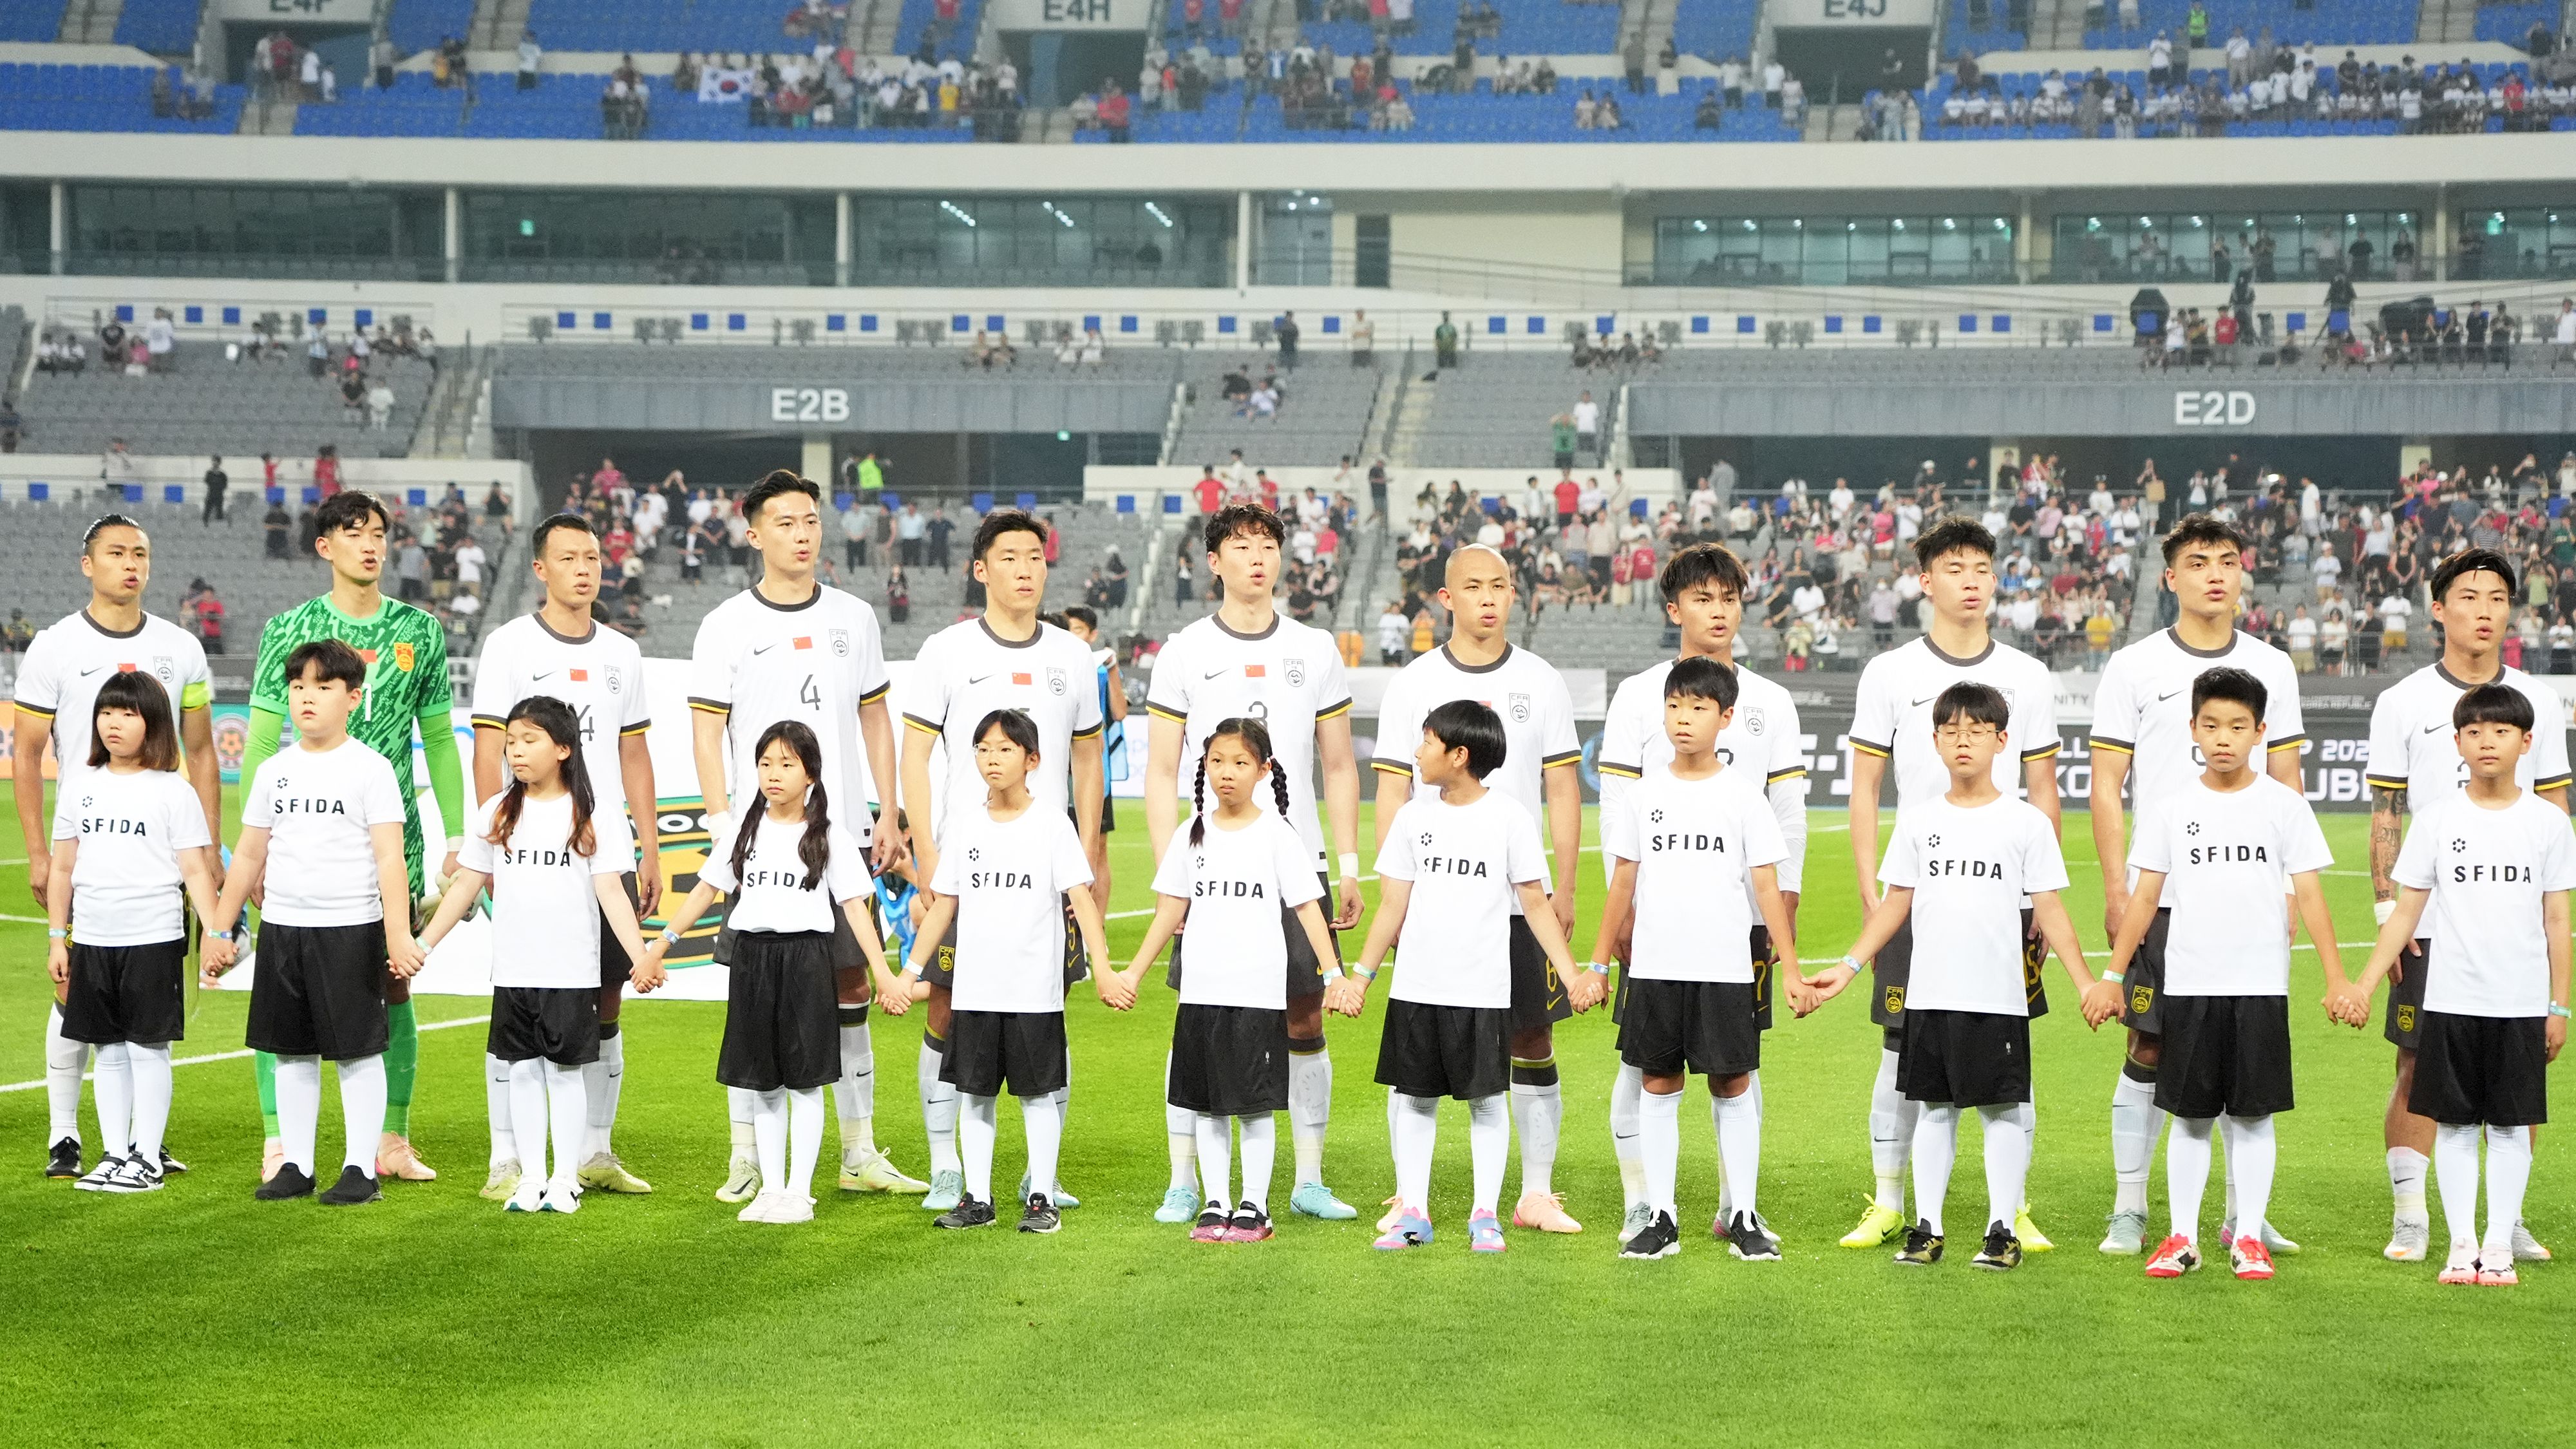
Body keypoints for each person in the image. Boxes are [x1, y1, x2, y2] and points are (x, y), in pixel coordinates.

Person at [1806, 683, 2114, 1271]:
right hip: (1930, 994)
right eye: (1951, 731)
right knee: (1934, 1109)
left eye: (1977, 731)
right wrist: (1848, 967)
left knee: (2002, 1111)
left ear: (2002, 740)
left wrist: (2086, 983)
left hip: (1998, 997)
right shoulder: (1919, 822)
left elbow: (2049, 909)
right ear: (1935, 742)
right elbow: (1896, 904)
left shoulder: (2025, 823)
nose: (1963, 741)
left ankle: (2002, 1230)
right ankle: (1928, 1229)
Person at [2087, 515, 2309, 1256]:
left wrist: (2288, 891)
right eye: (2196, 561)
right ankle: (2130, 1208)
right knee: (2150, 1049)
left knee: (2245, 1062)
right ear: (2169, 577)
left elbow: (2287, 780)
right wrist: (2117, 890)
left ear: (2243, 572)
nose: (2214, 573)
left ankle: (2244, 1216)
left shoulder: (2272, 666)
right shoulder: (2133, 666)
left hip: (2247, 900)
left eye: (2226, 560)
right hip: (2164, 901)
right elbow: (2107, 784)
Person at [1842, 516, 2061, 1252]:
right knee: (1900, 1048)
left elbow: (2043, 788)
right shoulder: (1890, 673)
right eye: (1954, 568)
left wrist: (2038, 896)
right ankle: (1889, 1202)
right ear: (1925, 581)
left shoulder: (2028, 676)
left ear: (1995, 580)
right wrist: (1873, 889)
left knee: (2009, 1052)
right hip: (1917, 893)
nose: (1970, 582)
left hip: (2002, 897)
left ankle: (2013, 1209)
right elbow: (1865, 788)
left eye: (1981, 569)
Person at [1144, 504, 1365, 1222]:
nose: (1257, 558)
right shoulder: (1183, 651)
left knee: (1304, 1018)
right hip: (1210, 870)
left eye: (1267, 545)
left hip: (1295, 863)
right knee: (1199, 1016)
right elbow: (1160, 770)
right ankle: (1185, 1181)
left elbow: (1338, 765)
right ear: (1214, 562)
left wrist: (1349, 863)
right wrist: (1173, 876)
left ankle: (1308, 1179)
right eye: (1240, 547)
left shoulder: (1315, 648)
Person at [239, 491, 464, 1187]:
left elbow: (439, 740)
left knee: (394, 985)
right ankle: (281, 1142)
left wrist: (458, 835)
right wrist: (256, 850)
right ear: (324, 546)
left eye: (378, 534)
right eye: (353, 533)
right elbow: (262, 742)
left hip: (392, 842)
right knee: (286, 996)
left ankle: (390, 1139)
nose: (369, 545)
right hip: (301, 843)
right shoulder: (290, 629)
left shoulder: (420, 630)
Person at [688, 471, 901, 1204]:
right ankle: (746, 1154)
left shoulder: (855, 617)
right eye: (785, 523)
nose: (802, 534)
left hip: (838, 834)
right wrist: (722, 821)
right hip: (759, 839)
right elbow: (706, 729)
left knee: (851, 985)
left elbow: (875, 718)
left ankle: (859, 1150)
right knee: (754, 990)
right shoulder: (726, 624)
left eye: (810, 520)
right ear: (753, 534)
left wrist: (889, 811)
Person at [1595, 543, 1808, 1241]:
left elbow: (1787, 811)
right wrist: (1621, 911)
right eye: (1703, 599)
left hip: (1737, 923)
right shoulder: (1639, 696)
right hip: (1657, 918)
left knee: (1736, 1064)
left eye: (1729, 599)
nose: (1719, 612)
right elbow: (1617, 810)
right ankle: (1643, 1202)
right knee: (1645, 1064)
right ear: (1674, 609)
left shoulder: (1771, 702)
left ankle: (1734, 1205)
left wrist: (1787, 899)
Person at [1371, 545, 1586, 1235]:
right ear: (1447, 598)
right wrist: (1396, 893)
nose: (1488, 598)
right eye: (1473, 586)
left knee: (1531, 1036)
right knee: (1418, 1044)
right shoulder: (1414, 682)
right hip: (1436, 898)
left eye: (1500, 585)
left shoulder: (1541, 681)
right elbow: (1392, 788)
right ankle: (1408, 1195)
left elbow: (1562, 788)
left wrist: (1565, 886)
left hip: (1518, 899)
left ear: (1514, 594)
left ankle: (1536, 1193)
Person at [2362, 547, 2568, 1265]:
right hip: (2430, 926)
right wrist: (2387, 914)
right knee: (2417, 1064)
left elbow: (2555, 805)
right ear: (2438, 609)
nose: (2484, 611)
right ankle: (2412, 1216)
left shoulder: (2539, 701)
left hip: (2511, 925)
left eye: (2498, 599)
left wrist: (2547, 909)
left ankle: (2508, 1219)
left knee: (2519, 1076)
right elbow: (2387, 812)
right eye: (2469, 597)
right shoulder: (2403, 701)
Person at [2103, 667, 2340, 1282]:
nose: (2224, 738)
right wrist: (2112, 973)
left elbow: (2311, 896)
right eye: (2211, 726)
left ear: (2261, 732)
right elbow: (2145, 899)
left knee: (2254, 1116)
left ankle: (2249, 1237)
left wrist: (2338, 979)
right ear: (2193, 729)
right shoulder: (2172, 808)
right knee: (2191, 1117)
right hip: (2190, 985)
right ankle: (2181, 1238)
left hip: (2260, 986)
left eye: (2238, 726)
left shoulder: (2285, 807)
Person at [898, 511, 1104, 1211]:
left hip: (1044, 871)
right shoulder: (946, 651)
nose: (1025, 569)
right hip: (968, 867)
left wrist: (1090, 851)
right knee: (946, 1009)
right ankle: (946, 1165)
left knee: (1048, 1011)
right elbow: (915, 758)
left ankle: (1041, 1176)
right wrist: (929, 854)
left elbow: (1087, 761)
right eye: (1010, 557)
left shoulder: (1072, 656)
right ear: (981, 570)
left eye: (1035, 557)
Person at [2336, 682, 2573, 1287]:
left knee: (2511, 1127)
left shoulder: (2549, 823)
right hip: (2450, 998)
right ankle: (2462, 1245)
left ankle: (2499, 1245)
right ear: (2459, 743)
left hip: (2520, 1002)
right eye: (2474, 731)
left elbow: (2557, 921)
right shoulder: (2438, 819)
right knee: (2459, 1128)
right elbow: (2408, 912)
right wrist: (2365, 982)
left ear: (2527, 742)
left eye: (2501, 731)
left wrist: (2559, 1007)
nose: (2487, 741)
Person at [1331, 700, 1580, 1253]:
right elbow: (1392, 906)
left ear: (1459, 754)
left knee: (1486, 1102)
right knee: (1416, 1099)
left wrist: (1570, 974)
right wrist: (1361, 977)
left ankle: (1484, 1216)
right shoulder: (1413, 818)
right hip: (1417, 987)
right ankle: (1413, 1213)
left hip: (1482, 989)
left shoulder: (1510, 818)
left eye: (1427, 741)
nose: (1418, 752)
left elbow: (1535, 907)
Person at [14, 514, 220, 1180]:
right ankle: (65, 1133)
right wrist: (40, 854)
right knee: (74, 993)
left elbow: (201, 751)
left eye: (140, 553)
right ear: (88, 564)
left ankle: (140, 1143)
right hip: (87, 847)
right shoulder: (55, 646)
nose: (130, 564)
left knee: (144, 1006)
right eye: (115, 553)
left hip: (157, 857)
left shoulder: (179, 647)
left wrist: (210, 849)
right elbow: (27, 754)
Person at [467, 513, 661, 1200]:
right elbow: (488, 749)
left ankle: (594, 1150)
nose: (584, 569)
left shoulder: (623, 653)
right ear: (540, 569)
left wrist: (649, 845)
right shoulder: (508, 645)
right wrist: (494, 839)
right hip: (528, 853)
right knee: (517, 996)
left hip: (601, 852)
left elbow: (634, 754)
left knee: (603, 996)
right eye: (569, 558)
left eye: (593, 557)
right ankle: (506, 1158)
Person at [645, 721, 898, 1225]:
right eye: (765, 764)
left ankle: (799, 1193)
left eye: (786, 764)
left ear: (810, 775)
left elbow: (855, 907)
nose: (774, 774)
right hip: (752, 960)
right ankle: (772, 1189)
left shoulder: (828, 836)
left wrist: (883, 974)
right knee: (763, 1083)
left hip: (807, 960)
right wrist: (660, 945)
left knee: (805, 1083)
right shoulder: (744, 832)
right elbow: (704, 891)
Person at [204, 639, 422, 1207]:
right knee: (290, 1051)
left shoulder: (371, 769)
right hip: (283, 928)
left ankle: (360, 1170)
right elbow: (249, 854)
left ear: (353, 698)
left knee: (357, 1052)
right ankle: (296, 1166)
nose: (307, 697)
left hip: (350, 927)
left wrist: (397, 934)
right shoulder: (274, 771)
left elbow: (390, 859)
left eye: (324, 687)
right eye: (299, 686)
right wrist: (220, 929)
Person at [417, 697, 656, 1214]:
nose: (516, 752)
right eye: (510, 742)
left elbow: (612, 892)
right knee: (523, 1071)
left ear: (564, 749)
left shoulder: (592, 814)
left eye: (530, 740)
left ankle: (565, 1180)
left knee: (565, 1073)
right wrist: (424, 943)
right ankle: (531, 1179)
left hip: (571, 971)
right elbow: (467, 884)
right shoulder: (498, 811)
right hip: (514, 970)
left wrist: (640, 956)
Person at [1104, 716, 1338, 1241]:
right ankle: (1216, 1203)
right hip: (1201, 991)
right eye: (1216, 762)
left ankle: (1255, 1205)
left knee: (1253, 1106)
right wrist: (1134, 972)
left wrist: (1335, 973)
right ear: (1204, 767)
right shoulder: (1191, 834)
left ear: (1264, 770)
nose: (1226, 773)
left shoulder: (1277, 834)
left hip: (1257, 993)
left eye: (1239, 763)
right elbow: (1170, 910)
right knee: (1208, 1105)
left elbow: (1307, 906)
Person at [898, 710, 1110, 1233]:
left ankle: (1041, 1197)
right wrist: (910, 972)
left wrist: (1102, 968)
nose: (992, 759)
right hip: (975, 990)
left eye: (1005, 749)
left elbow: (1081, 900)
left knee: (1037, 1095)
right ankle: (977, 1199)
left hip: (1033, 991)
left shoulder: (1052, 825)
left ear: (1032, 759)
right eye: (984, 749)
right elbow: (944, 907)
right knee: (976, 1095)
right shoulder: (967, 825)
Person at [44, 672, 231, 1193]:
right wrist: (58, 936)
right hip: (93, 938)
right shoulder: (80, 787)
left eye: (128, 714)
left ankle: (147, 1158)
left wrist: (216, 931)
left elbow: (195, 871)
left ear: (153, 724)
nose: (114, 723)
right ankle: (115, 1154)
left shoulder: (173, 792)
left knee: (148, 1049)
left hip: (153, 937)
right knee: (107, 1050)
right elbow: (63, 868)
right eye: (107, 712)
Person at [202, 455, 228, 525]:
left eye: (216, 461)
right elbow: (207, 482)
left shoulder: (223, 475)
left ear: (219, 463)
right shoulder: (209, 473)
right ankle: (205, 526)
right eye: (213, 461)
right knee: (207, 512)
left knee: (219, 513)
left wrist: (217, 486)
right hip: (210, 495)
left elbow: (225, 486)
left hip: (219, 496)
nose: (214, 463)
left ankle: (219, 527)